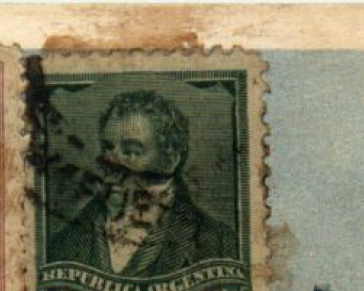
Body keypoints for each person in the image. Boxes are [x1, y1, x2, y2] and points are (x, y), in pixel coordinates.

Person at [48, 89, 237, 277]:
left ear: (171, 158)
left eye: (132, 151)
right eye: (108, 149)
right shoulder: (65, 242)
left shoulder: (218, 242)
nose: (112, 162)